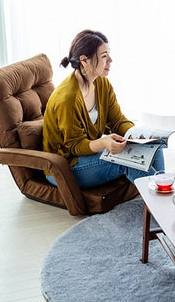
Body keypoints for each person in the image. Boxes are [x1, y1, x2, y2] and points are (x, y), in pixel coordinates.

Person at [43, 29, 164, 188]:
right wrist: (104, 142)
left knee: (154, 147)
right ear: (84, 60)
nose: (111, 60)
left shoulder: (102, 83)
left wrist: (140, 136)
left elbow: (118, 121)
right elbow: (76, 146)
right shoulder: (67, 99)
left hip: (89, 155)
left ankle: (160, 195)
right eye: (104, 56)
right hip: (66, 166)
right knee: (128, 162)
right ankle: (163, 198)